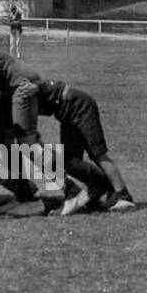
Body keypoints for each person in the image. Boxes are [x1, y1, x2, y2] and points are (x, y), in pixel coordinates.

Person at [35, 79, 136, 214]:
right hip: (66, 112)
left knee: (97, 153)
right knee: (69, 161)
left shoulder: (21, 90)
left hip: (79, 105)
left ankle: (123, 196)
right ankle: (98, 187)